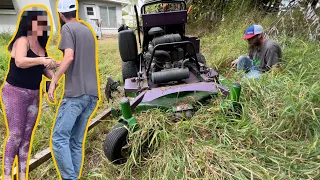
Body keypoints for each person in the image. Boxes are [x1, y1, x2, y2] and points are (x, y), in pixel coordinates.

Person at [0, 8, 57, 180]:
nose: (41, 25)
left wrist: (54, 78)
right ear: (29, 23)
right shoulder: (22, 40)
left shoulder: (41, 45)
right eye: (38, 21)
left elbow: (43, 69)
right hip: (15, 92)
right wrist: (42, 60)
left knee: (26, 136)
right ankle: (8, 175)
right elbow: (20, 61)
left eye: (43, 22)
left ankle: (23, 174)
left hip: (33, 94)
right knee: (16, 134)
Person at [47, 0, 100, 179]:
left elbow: (69, 57)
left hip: (75, 95)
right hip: (92, 95)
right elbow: (77, 59)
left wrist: (54, 80)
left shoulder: (67, 29)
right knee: (75, 142)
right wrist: (55, 63)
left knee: (59, 139)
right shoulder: (87, 30)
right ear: (75, 11)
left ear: (61, 15)